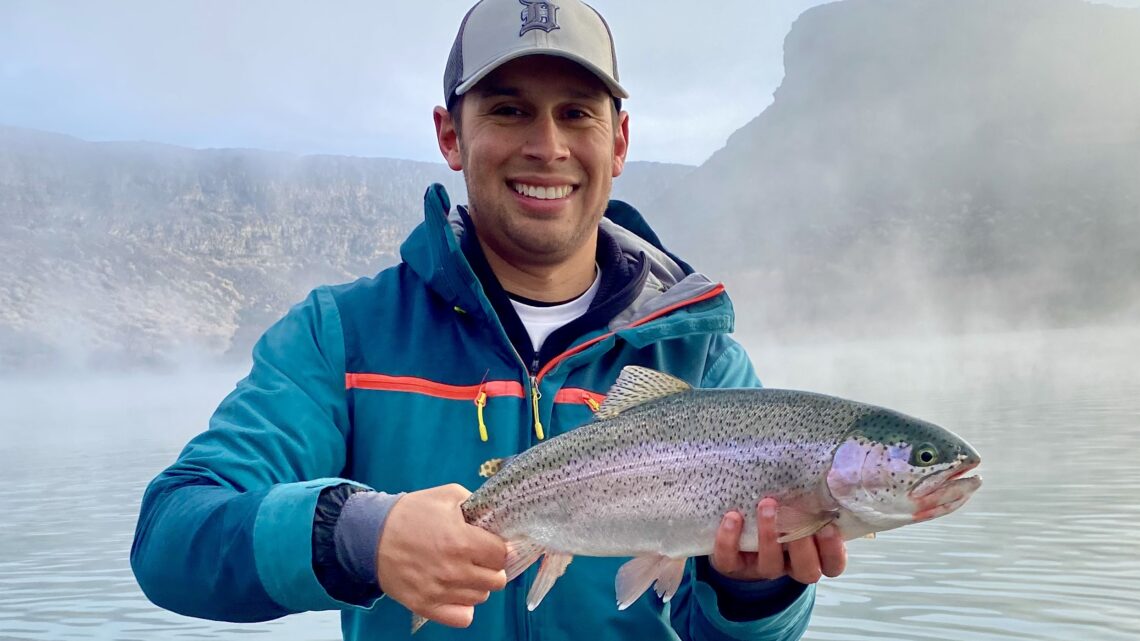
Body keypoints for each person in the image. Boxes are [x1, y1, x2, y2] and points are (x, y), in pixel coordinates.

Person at [131, 0, 847, 639]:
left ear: (619, 141)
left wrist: (757, 586)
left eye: (576, 113)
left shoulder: (699, 358)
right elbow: (170, 538)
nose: (547, 146)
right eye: (509, 110)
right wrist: (355, 533)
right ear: (450, 135)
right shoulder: (339, 335)